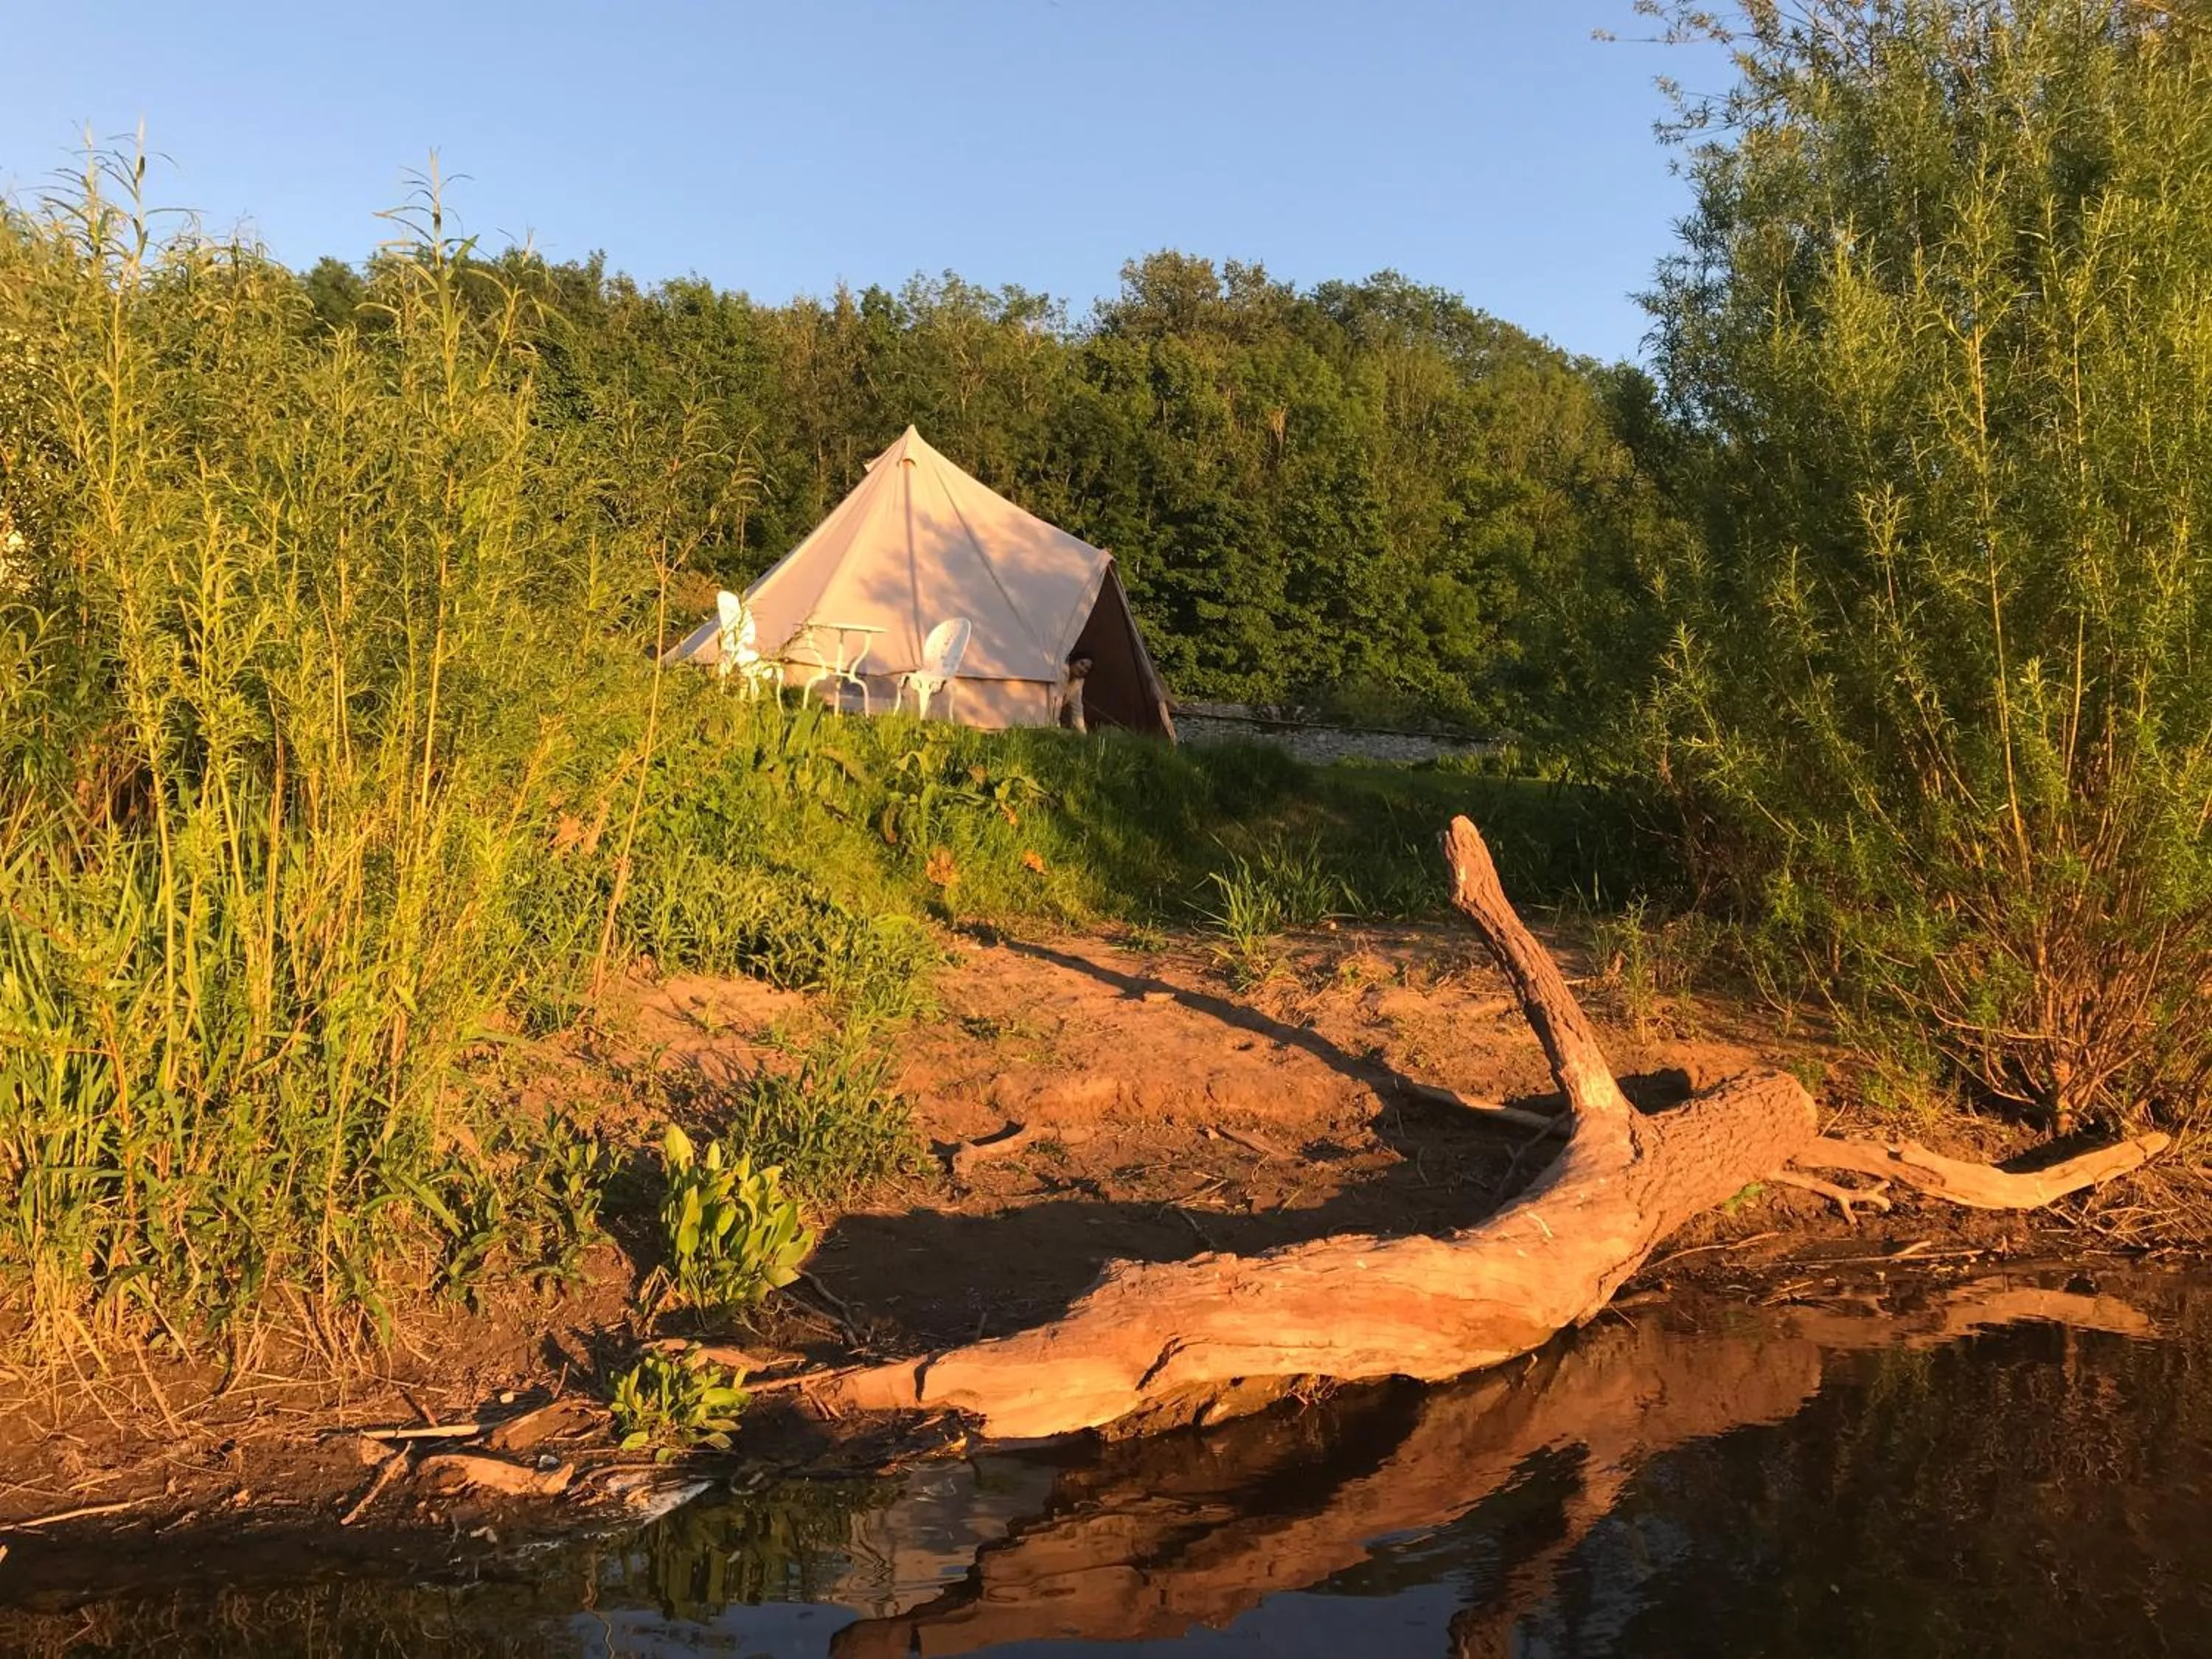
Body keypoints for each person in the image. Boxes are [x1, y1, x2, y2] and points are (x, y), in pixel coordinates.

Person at [1059, 655, 1093, 733]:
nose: (1082, 669)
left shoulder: (1077, 683)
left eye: (1086, 668)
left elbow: (1077, 709)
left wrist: (1083, 733)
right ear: (1074, 661)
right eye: (1081, 663)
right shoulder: (1061, 671)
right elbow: (1053, 700)